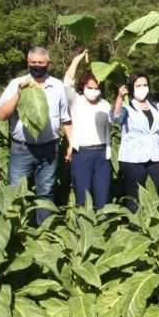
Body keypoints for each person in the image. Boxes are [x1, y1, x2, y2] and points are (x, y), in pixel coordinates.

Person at [0, 47, 72, 225]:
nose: (37, 66)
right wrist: (18, 94)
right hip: (22, 148)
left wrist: (71, 144)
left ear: (48, 64)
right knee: (15, 193)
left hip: (49, 148)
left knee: (46, 192)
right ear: (28, 63)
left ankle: (43, 234)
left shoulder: (57, 86)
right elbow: (2, 114)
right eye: (33, 63)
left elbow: (66, 119)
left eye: (41, 63)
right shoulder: (17, 83)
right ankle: (16, 231)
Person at [112, 73, 159, 210]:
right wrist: (120, 97)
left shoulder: (156, 106)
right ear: (131, 88)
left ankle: (151, 227)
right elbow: (115, 118)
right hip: (133, 159)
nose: (142, 88)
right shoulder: (127, 106)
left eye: (145, 85)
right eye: (138, 85)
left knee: (152, 195)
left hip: (155, 157)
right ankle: (135, 228)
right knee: (135, 197)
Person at [63, 50, 112, 209]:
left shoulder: (105, 105)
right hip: (82, 153)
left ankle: (102, 230)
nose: (93, 90)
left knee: (102, 198)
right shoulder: (76, 101)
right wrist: (76, 59)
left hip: (102, 154)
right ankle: (82, 229)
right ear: (83, 86)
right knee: (82, 198)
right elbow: (67, 83)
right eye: (90, 87)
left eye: (96, 88)